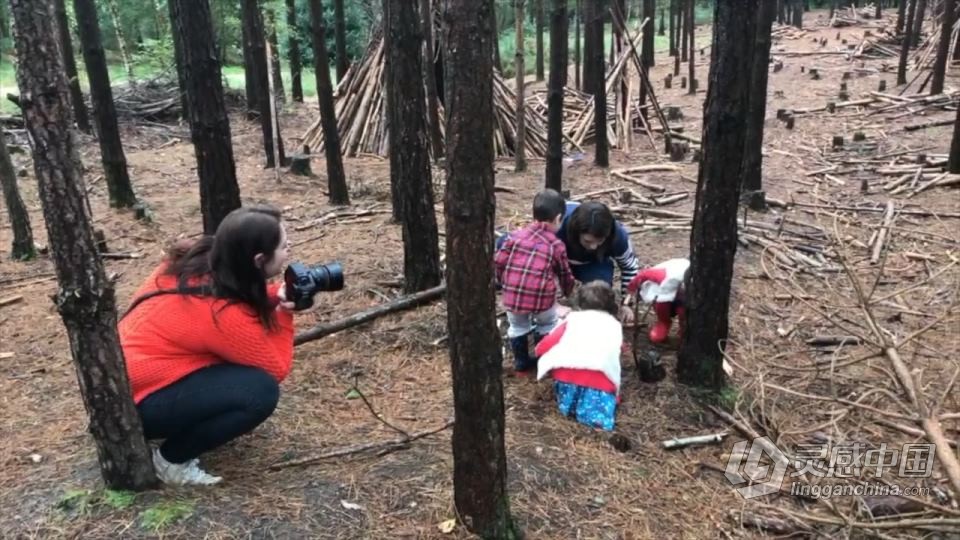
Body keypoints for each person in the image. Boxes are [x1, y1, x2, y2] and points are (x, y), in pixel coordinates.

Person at [119, 205, 305, 486]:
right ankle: (171, 460)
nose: (288, 251)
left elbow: (234, 293)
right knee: (258, 393)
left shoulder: (196, 261)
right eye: (283, 246)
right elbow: (276, 368)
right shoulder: (220, 315)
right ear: (258, 259)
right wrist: (285, 314)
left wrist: (276, 295)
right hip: (137, 406)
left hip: (118, 389)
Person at [495, 189, 577, 374]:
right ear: (557, 219)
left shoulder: (514, 237)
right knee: (546, 324)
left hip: (513, 297)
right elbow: (564, 273)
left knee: (517, 326)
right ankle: (544, 360)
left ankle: (522, 362)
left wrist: (504, 283)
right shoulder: (555, 245)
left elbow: (499, 261)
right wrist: (567, 290)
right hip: (542, 299)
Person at [534, 281, 623, 431]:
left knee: (568, 402)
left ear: (579, 303)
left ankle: (569, 406)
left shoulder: (571, 320)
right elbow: (616, 349)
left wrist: (538, 352)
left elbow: (548, 342)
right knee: (598, 411)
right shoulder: (614, 325)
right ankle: (597, 415)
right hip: (599, 379)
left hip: (566, 375)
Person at [555, 201, 641, 324]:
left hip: (593, 263)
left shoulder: (618, 236)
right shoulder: (558, 224)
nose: (594, 246)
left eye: (600, 241)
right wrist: (552, 305)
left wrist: (626, 303)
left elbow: (630, 267)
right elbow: (537, 264)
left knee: (599, 293)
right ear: (576, 231)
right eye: (587, 241)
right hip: (556, 261)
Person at [626, 258, 690, 344]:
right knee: (662, 305)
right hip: (664, 293)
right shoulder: (660, 276)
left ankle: (685, 330)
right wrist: (630, 292)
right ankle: (664, 322)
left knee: (683, 311)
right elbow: (642, 275)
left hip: (685, 297)